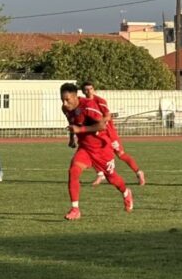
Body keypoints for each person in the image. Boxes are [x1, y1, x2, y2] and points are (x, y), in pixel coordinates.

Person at [60, 82, 133, 220]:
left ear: (76, 97)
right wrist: (72, 138)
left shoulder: (88, 106)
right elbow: (72, 123)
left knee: (112, 178)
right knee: (73, 171)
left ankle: (126, 192)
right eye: (62, 99)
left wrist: (80, 130)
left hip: (101, 148)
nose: (64, 103)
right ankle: (75, 209)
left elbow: (102, 125)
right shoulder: (66, 108)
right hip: (85, 149)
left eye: (67, 100)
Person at [80, 82, 146, 187]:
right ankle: (100, 174)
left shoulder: (100, 101)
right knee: (93, 153)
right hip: (97, 135)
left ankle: (139, 172)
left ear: (94, 89)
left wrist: (99, 122)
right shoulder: (82, 103)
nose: (89, 91)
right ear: (83, 91)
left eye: (91, 89)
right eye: (86, 89)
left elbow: (108, 116)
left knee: (121, 155)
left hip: (109, 133)